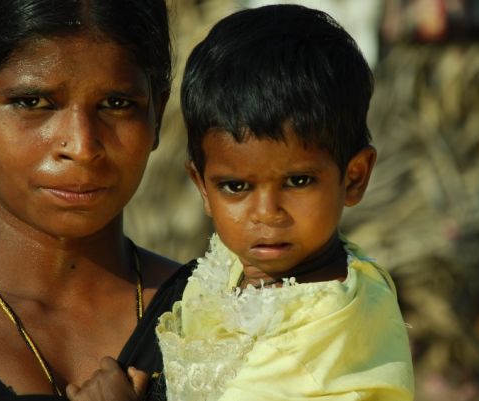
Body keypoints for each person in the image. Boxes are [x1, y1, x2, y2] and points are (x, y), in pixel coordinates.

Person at [154, 4, 415, 401]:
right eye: (236, 187)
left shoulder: (328, 324)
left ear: (355, 177)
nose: (266, 214)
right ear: (203, 188)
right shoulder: (228, 266)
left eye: (298, 181)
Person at [0, 1, 190, 400]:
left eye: (116, 104)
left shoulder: (233, 317)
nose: (81, 146)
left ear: (156, 116)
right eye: (32, 102)